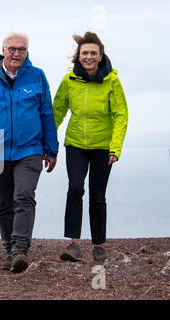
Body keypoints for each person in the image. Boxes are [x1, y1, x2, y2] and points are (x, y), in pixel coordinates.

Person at [0, 32, 58, 273]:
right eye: (12, 49)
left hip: (31, 149)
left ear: (27, 52)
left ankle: (19, 250)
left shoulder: (37, 76)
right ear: (3, 50)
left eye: (22, 49)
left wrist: (52, 149)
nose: (17, 53)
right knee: (2, 202)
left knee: (24, 196)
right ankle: (9, 250)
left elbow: (47, 114)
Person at [53, 31, 128, 262]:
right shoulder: (69, 80)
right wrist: (47, 142)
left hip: (103, 147)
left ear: (100, 55)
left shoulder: (112, 81)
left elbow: (120, 115)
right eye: (84, 52)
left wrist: (115, 148)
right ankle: (73, 244)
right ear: (78, 56)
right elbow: (57, 111)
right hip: (75, 143)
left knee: (98, 195)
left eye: (93, 53)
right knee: (75, 188)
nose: (88, 56)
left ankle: (98, 245)